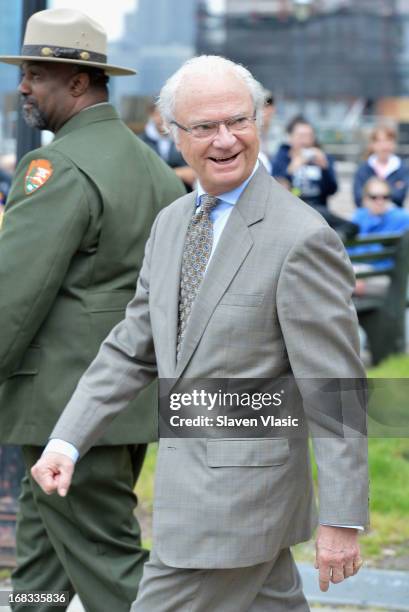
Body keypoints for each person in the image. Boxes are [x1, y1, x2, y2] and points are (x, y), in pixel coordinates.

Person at [32, 55, 369, 611]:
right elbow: (131, 346)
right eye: (204, 127)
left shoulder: (301, 238)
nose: (225, 140)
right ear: (173, 133)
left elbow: (335, 386)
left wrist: (342, 517)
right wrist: (68, 440)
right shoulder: (172, 223)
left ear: (260, 119)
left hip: (234, 509)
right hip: (198, 499)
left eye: (238, 121)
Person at [0, 8, 185, 612]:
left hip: (65, 406)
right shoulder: (154, 168)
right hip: (122, 400)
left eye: (35, 74)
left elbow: (13, 293)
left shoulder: (57, 167)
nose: (23, 86)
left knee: (109, 565)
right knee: (41, 560)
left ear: (78, 82)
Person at [349, 176, 409, 296]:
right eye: (374, 197)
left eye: (385, 197)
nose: (380, 201)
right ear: (365, 199)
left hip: (388, 275)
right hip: (357, 272)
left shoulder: (401, 218)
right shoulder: (359, 216)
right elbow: (348, 252)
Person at [272, 114, 338, 209]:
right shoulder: (281, 158)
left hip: (318, 209)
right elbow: (276, 190)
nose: (305, 141)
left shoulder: (323, 157)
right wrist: (292, 169)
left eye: (309, 136)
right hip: (291, 208)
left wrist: (325, 169)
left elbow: (332, 190)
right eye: (301, 136)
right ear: (290, 137)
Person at [140, 99, 197, 191]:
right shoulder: (141, 142)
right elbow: (140, 175)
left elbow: (194, 171)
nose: (163, 119)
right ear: (151, 115)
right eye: (159, 114)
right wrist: (178, 173)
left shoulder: (186, 139)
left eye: (167, 115)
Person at [353, 124, 409, 208]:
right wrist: (390, 191)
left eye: (388, 140)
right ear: (372, 144)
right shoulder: (363, 168)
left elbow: (399, 196)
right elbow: (358, 198)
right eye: (380, 141)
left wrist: (372, 195)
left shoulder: (402, 168)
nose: (384, 146)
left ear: (394, 143)